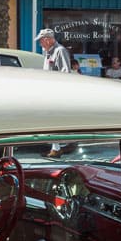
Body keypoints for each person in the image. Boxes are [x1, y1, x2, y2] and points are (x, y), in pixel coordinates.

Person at [35, 28, 72, 157]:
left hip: (57, 93)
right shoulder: (49, 52)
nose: (40, 44)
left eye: (41, 41)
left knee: (56, 120)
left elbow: (65, 73)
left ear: (48, 40)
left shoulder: (59, 51)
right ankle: (56, 146)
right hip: (49, 92)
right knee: (52, 121)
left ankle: (58, 148)